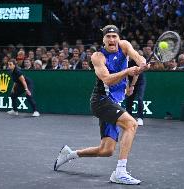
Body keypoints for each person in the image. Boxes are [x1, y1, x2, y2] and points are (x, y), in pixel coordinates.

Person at [54, 25, 148, 185]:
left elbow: (138, 59)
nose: (112, 40)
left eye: (114, 37)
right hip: (101, 101)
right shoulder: (98, 57)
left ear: (118, 38)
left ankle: (69, 154)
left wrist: (141, 67)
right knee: (131, 124)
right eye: (108, 37)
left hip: (115, 102)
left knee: (107, 150)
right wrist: (127, 72)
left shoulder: (124, 45)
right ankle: (120, 172)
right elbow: (107, 79)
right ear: (103, 39)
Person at [125, 53, 146, 126]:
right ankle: (129, 118)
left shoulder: (136, 61)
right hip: (130, 82)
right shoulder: (123, 63)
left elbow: (136, 75)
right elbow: (125, 77)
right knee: (129, 99)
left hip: (140, 82)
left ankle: (140, 118)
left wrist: (132, 86)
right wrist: (128, 88)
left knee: (140, 98)